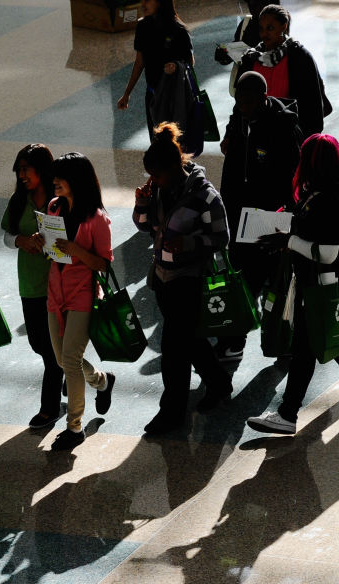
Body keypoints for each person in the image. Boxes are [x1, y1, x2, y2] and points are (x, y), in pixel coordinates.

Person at [246, 134, 339, 439]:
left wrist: (288, 241)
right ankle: (288, 414)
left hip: (334, 289)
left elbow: (329, 252)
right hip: (321, 287)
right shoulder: (320, 194)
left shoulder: (332, 201)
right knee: (307, 349)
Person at [133, 122, 231, 435]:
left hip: (189, 277)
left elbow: (221, 237)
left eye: (157, 175)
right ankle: (218, 382)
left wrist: (189, 244)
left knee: (173, 347)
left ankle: (172, 411)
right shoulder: (159, 189)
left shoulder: (204, 195)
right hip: (163, 277)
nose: (153, 181)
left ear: (175, 168)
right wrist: (142, 203)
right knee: (190, 339)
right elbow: (144, 226)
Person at [216, 70, 302, 362]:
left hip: (268, 216)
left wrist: (282, 216)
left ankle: (281, 339)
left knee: (270, 281)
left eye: (250, 102)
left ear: (264, 99)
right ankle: (235, 340)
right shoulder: (239, 115)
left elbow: (292, 175)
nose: (243, 107)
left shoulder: (282, 126)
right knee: (242, 277)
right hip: (239, 212)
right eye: (239, 101)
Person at [45, 152, 115, 451]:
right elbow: (53, 247)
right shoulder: (53, 207)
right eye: (55, 176)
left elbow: (104, 263)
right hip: (55, 291)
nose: (55, 182)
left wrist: (76, 249)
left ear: (78, 180)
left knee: (69, 361)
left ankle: (74, 427)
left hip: (83, 294)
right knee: (62, 358)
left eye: (61, 177)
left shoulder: (96, 218)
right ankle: (101, 381)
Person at [0, 144, 63, 428]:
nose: (22, 175)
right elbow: (5, 235)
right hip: (29, 284)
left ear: (42, 169)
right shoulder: (18, 201)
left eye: (27, 169)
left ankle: (49, 408)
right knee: (40, 343)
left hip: (58, 284)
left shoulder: (59, 199)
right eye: (19, 170)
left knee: (52, 352)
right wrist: (22, 241)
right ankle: (95, 378)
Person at [235, 4, 331, 136]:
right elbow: (240, 103)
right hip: (256, 136)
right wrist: (231, 134)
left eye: (270, 28)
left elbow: (312, 105)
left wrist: (309, 141)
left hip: (290, 138)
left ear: (284, 26)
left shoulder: (300, 58)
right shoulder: (251, 59)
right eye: (261, 29)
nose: (264, 34)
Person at [116, 0, 194, 141]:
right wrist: (127, 93)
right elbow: (140, 62)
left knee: (175, 143)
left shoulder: (178, 30)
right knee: (156, 141)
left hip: (174, 97)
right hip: (153, 95)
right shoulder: (142, 26)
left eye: (148, 0)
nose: (143, 3)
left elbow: (190, 61)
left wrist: (176, 66)